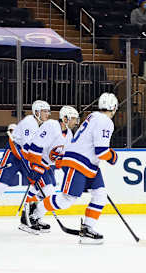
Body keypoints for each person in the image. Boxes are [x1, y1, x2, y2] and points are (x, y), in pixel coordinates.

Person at [29, 93, 118, 244]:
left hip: (89, 163)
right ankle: (36, 212)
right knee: (67, 200)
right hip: (79, 162)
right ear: (114, 108)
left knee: (100, 194)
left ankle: (87, 228)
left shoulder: (93, 116)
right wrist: (113, 157)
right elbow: (102, 152)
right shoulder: (106, 121)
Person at [0, 100, 51, 229]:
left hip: (27, 157)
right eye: (45, 111)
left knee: (39, 187)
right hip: (13, 156)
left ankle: (30, 217)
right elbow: (26, 148)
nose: (47, 114)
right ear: (37, 112)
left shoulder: (43, 126)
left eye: (48, 111)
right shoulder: (29, 123)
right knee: (0, 186)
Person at [18, 106, 79, 234]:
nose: (75, 122)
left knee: (40, 191)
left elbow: (62, 156)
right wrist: (35, 166)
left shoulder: (68, 134)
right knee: (49, 194)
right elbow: (36, 146)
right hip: (35, 160)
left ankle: (33, 217)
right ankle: (29, 218)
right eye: (73, 118)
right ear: (65, 118)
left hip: (46, 165)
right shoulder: (52, 125)